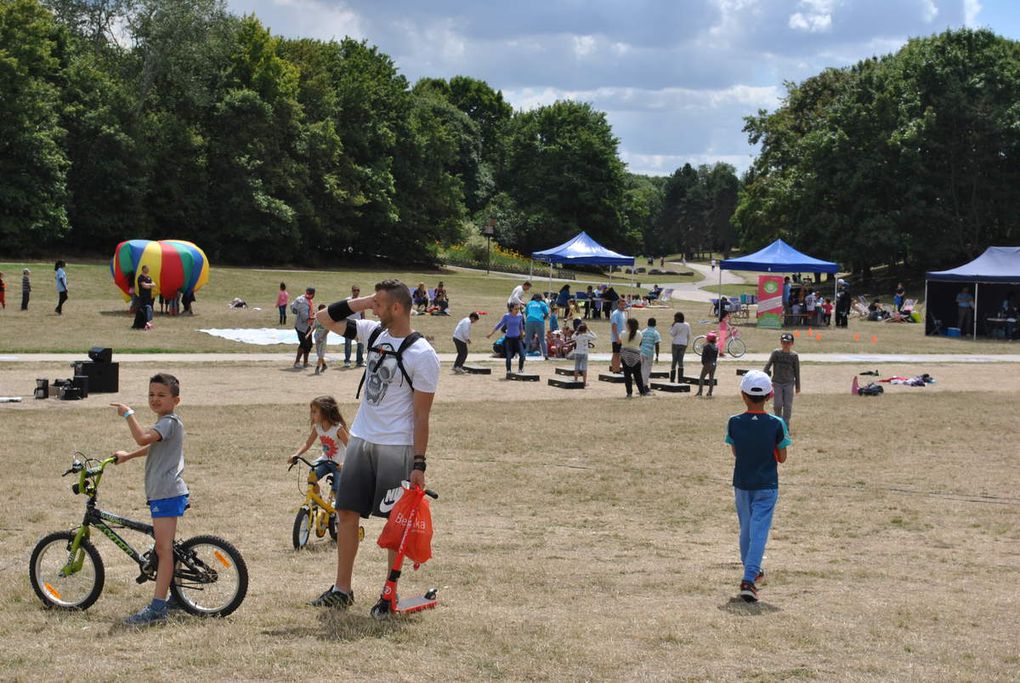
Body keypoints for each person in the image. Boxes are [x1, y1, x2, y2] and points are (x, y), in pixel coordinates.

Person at [313, 279, 439, 611]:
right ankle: (342, 588)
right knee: (346, 511)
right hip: (362, 440)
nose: (374, 308)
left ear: (397, 308)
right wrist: (366, 301)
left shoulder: (422, 355)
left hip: (396, 446)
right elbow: (325, 317)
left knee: (394, 522)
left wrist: (419, 463)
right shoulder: (374, 333)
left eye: (380, 304)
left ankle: (389, 594)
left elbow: (422, 415)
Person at [110, 373, 189, 625]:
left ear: (176, 400)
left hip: (166, 493)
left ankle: (157, 609)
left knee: (163, 550)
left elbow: (144, 437)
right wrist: (128, 456)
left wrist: (127, 414)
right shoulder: (165, 424)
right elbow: (152, 446)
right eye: (151, 395)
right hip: (163, 492)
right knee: (166, 547)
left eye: (161, 395)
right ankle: (176, 595)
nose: (155, 399)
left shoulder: (168, 422)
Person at [725, 370, 791, 603]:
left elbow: (735, 451)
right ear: (770, 396)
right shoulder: (776, 424)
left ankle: (751, 569)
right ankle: (749, 578)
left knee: (746, 529)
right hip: (767, 484)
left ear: (743, 395)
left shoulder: (734, 422)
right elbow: (781, 457)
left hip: (742, 483)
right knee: (759, 531)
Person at [286, 395, 349, 500]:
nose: (311, 414)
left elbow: (351, 448)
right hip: (326, 461)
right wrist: (296, 455)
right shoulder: (318, 427)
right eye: (311, 411)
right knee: (312, 475)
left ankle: (333, 510)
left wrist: (346, 463)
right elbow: (308, 443)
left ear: (325, 413)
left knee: (336, 490)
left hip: (339, 465)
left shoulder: (337, 429)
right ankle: (317, 499)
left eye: (314, 411)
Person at [763, 332, 800, 429]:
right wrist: (763, 378)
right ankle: (778, 424)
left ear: (792, 343)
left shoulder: (794, 356)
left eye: (788, 343)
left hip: (789, 383)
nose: (786, 345)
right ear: (780, 342)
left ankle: (785, 426)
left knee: (787, 406)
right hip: (777, 383)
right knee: (777, 405)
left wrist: (798, 386)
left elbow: (797, 371)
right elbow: (768, 366)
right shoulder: (776, 353)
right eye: (783, 342)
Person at [488, 303, 526, 378]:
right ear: (511, 309)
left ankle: (520, 369)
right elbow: (499, 325)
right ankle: (508, 370)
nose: (517, 310)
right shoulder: (506, 316)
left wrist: (522, 336)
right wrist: (491, 333)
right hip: (509, 339)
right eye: (516, 309)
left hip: (517, 338)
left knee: (522, 355)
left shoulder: (520, 316)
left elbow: (521, 327)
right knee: (509, 356)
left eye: (518, 309)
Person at [620, 318, 648, 398]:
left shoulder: (623, 333)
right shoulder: (639, 333)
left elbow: (620, 341)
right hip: (636, 355)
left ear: (628, 325)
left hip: (625, 356)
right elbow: (640, 343)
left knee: (627, 376)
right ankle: (642, 392)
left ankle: (629, 393)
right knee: (638, 375)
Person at [291, 287, 316, 369]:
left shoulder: (302, 299)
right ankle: (296, 362)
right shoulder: (303, 302)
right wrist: (315, 317)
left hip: (307, 326)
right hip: (301, 327)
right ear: (313, 294)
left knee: (309, 345)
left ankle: (305, 362)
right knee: (304, 344)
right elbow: (304, 316)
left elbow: (292, 307)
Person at [343, 285, 365, 368]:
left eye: (358, 290)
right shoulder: (347, 300)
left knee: (360, 343)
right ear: (352, 291)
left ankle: (359, 361)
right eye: (355, 290)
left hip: (359, 324)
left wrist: (364, 323)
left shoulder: (361, 300)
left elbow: (362, 313)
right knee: (348, 344)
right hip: (348, 324)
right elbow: (343, 312)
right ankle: (347, 361)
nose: (356, 292)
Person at [524, 293, 549, 358]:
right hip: (539, 321)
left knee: (527, 339)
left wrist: (529, 319)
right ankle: (545, 355)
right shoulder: (542, 304)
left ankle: (523, 354)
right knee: (542, 339)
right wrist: (543, 319)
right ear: (540, 298)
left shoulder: (529, 303)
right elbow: (546, 313)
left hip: (529, 321)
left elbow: (526, 313)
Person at [669, 311, 691, 383]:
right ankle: (680, 379)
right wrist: (687, 343)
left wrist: (671, 326)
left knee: (674, 360)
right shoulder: (687, 325)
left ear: (677, 318)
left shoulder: (676, 325)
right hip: (684, 344)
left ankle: (672, 379)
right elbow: (689, 335)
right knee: (681, 360)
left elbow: (672, 334)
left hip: (676, 343)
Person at [640, 318, 661, 390]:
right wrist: (657, 356)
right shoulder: (656, 333)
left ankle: (640, 384)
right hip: (649, 354)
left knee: (641, 369)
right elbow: (657, 345)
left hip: (641, 352)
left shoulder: (643, 332)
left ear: (647, 323)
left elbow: (640, 342)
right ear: (655, 324)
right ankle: (644, 385)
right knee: (647, 370)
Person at [695, 332, 718, 398]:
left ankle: (700, 392)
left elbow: (703, 357)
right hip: (714, 363)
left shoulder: (706, 347)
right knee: (711, 378)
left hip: (708, 363)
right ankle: (710, 392)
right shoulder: (716, 347)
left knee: (702, 377)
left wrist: (704, 363)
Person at [609, 298, 628, 373]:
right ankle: (615, 369)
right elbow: (614, 326)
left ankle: (617, 368)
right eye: (621, 305)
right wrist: (617, 338)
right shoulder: (615, 313)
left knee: (620, 354)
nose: (623, 306)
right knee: (616, 353)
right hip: (617, 337)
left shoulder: (623, 313)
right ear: (618, 305)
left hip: (622, 337)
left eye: (624, 305)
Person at [312, 304, 330, 375]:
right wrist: (308, 334)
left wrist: (322, 337)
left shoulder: (327, 319)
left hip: (323, 338)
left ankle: (317, 368)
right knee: (319, 353)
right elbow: (314, 327)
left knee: (320, 354)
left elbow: (328, 330)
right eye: (321, 310)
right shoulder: (317, 318)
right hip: (317, 337)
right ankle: (324, 365)